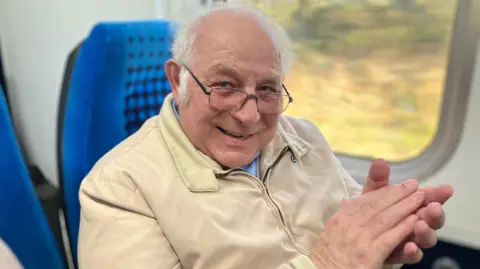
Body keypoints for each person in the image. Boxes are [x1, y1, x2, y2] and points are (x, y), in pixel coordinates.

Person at [77, 4, 454, 269]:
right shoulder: (119, 189)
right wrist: (326, 264)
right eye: (225, 84)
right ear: (178, 80)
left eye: (269, 89)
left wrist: (376, 246)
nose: (249, 113)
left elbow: (349, 243)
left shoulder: (304, 139)